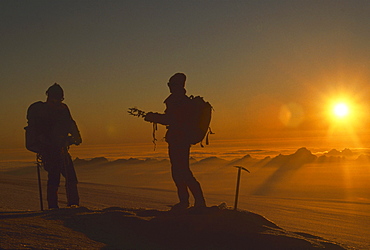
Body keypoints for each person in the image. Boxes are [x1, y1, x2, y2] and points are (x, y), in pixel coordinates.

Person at [144, 73, 206, 210]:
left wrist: (153, 117)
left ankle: (196, 202)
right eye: (169, 84)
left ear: (178, 85)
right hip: (179, 139)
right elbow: (172, 118)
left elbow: (172, 119)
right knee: (179, 171)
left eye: (171, 84)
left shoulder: (179, 101)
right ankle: (188, 202)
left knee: (182, 171)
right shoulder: (178, 100)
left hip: (180, 140)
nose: (169, 87)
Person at [29, 83, 82, 209]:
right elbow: (68, 124)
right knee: (55, 178)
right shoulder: (45, 111)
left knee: (69, 178)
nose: (57, 100)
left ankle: (72, 205)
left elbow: (70, 123)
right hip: (50, 149)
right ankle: (55, 207)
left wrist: (76, 137)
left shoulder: (62, 108)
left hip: (61, 148)